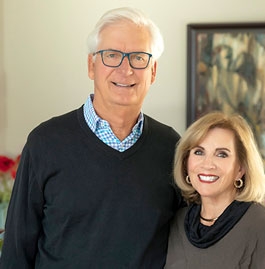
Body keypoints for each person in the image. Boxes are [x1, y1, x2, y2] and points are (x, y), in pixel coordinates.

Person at [0, 7, 182, 268]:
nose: (125, 69)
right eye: (111, 55)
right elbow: (17, 251)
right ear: (91, 66)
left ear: (153, 71)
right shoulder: (45, 143)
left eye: (138, 58)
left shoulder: (172, 148)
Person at [165, 111, 265, 268]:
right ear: (186, 162)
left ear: (240, 168)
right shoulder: (177, 222)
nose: (207, 164)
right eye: (199, 152)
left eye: (221, 154)